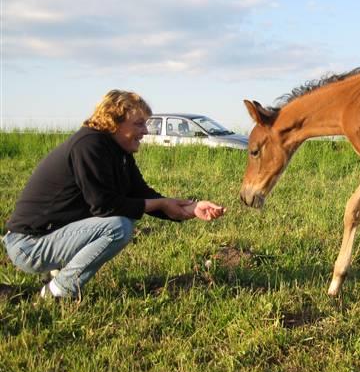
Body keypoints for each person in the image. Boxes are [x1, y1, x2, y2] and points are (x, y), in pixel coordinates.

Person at [2, 90, 226, 299]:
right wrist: (160, 203)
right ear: (114, 123)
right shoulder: (88, 145)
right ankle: (57, 292)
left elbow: (143, 194)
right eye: (138, 124)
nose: (145, 131)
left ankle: (56, 275)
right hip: (29, 245)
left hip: (52, 238)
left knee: (121, 220)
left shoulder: (119, 152)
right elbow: (104, 206)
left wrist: (191, 208)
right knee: (118, 226)